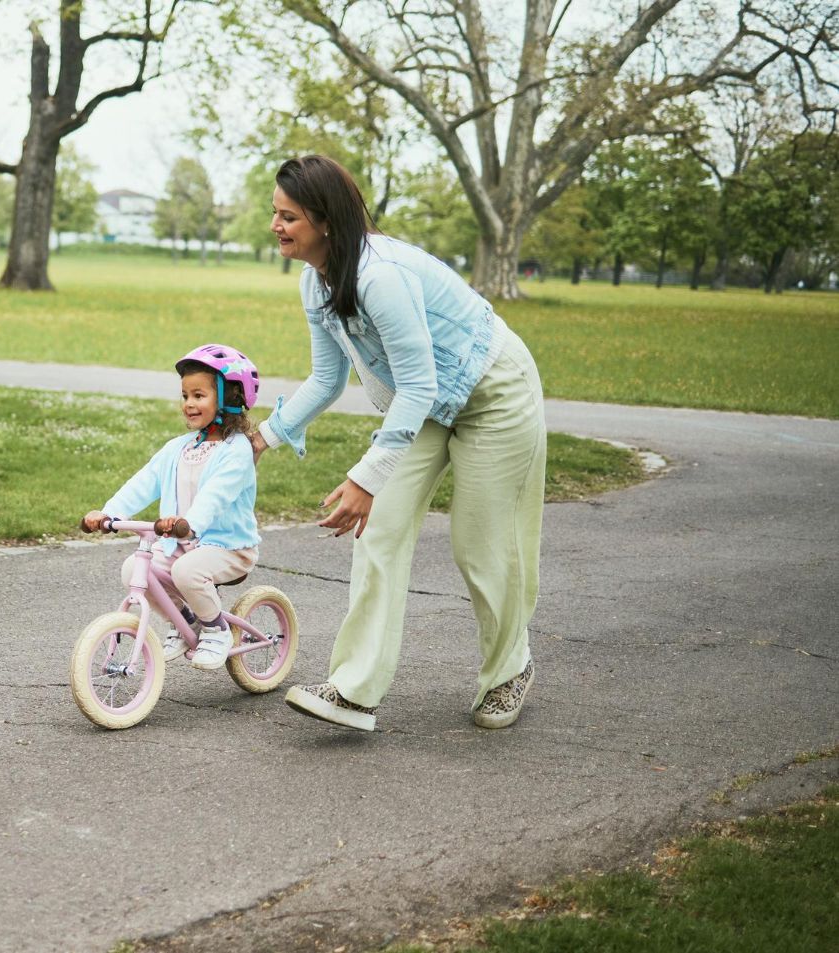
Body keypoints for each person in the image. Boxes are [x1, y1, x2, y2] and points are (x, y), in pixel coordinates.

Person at [253, 155, 546, 732]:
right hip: (426, 401)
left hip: (493, 392)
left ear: (325, 221)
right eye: (275, 214)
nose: (276, 226)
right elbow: (327, 379)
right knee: (377, 531)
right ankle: (353, 690)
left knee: (481, 545)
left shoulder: (379, 275)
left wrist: (366, 477)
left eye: (288, 216)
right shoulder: (316, 281)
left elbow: (417, 382)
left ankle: (509, 669)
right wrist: (263, 437)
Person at [82, 345, 262, 670]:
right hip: (182, 544)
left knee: (186, 571)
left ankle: (218, 630)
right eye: (185, 396)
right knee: (134, 570)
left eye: (199, 395)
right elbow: (144, 482)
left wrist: (188, 522)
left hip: (228, 547)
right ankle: (186, 621)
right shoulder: (177, 448)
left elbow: (216, 495)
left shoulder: (237, 451)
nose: (189, 404)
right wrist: (109, 513)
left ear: (229, 398)